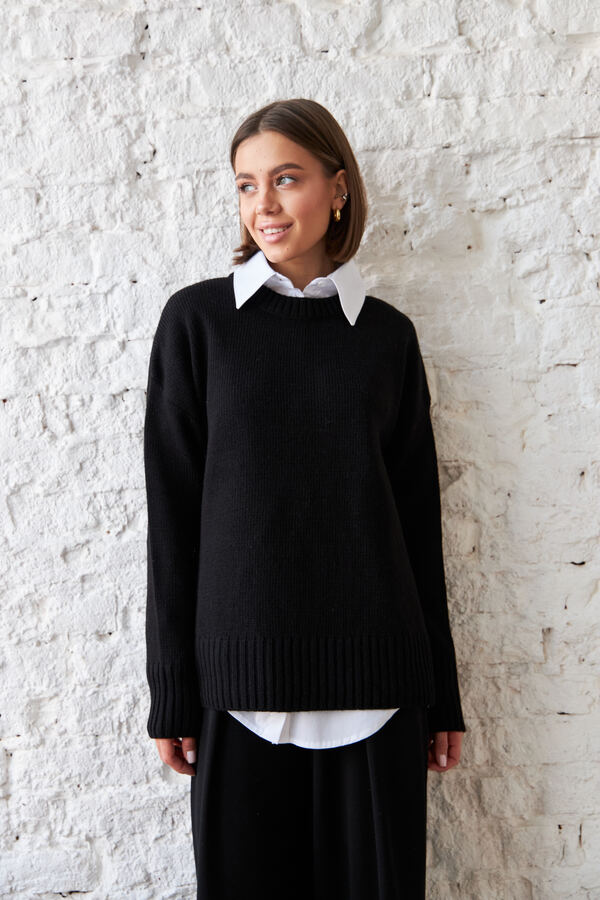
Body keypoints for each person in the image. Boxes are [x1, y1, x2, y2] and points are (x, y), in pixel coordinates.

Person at [143, 98, 466, 899]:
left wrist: (442, 695)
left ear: (338, 188)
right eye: (246, 185)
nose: (265, 205)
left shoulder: (387, 337)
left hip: (380, 692)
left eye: (286, 179)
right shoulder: (197, 324)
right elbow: (172, 518)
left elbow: (416, 523)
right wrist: (172, 692)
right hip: (239, 692)